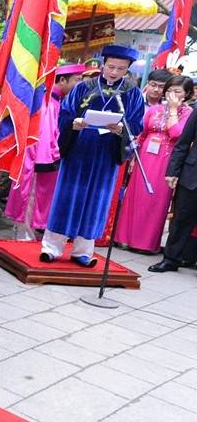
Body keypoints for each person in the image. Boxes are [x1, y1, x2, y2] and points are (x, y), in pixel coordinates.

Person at [40, 45, 145, 266]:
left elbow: (136, 123)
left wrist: (123, 129)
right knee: (67, 196)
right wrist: (73, 123)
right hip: (79, 148)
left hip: (107, 152)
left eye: (121, 69)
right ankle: (51, 247)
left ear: (127, 69)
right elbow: (65, 113)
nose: (114, 72)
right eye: (111, 67)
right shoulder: (84, 87)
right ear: (103, 64)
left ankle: (83, 251)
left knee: (96, 200)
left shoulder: (132, 93)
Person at [6, 63, 84, 240]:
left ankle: (28, 232)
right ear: (62, 80)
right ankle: (23, 234)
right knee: (30, 194)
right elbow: (43, 133)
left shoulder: (57, 101)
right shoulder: (46, 101)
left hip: (46, 156)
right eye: (77, 80)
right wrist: (45, 159)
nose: (79, 85)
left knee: (37, 196)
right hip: (36, 156)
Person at [116, 75, 194, 253]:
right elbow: (142, 133)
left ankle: (145, 243)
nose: (171, 94)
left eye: (177, 91)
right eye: (169, 90)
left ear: (187, 94)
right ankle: (124, 237)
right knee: (135, 195)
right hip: (145, 155)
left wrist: (173, 110)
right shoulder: (155, 109)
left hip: (167, 158)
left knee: (156, 199)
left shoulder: (188, 113)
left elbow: (177, 134)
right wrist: (134, 156)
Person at [150, 92, 197, 272]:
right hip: (192, 173)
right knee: (181, 219)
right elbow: (184, 142)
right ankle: (171, 259)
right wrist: (173, 171)